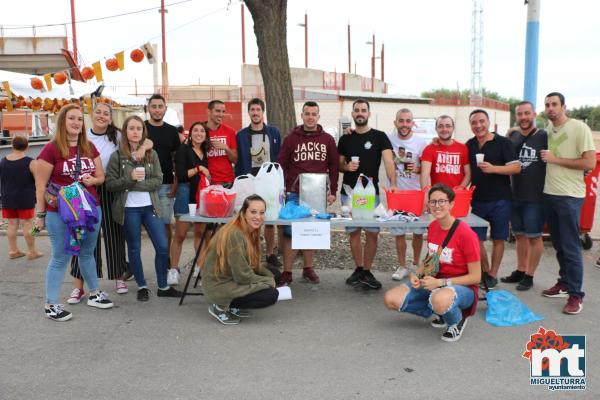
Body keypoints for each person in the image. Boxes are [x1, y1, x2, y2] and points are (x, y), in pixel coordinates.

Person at [66, 103, 153, 303]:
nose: (102, 116)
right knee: (83, 236)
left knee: (114, 232)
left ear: (111, 118)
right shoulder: (82, 135)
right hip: (85, 187)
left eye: (106, 113)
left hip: (111, 186)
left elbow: (147, 141)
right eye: (99, 112)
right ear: (92, 114)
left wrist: (141, 148)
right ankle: (78, 286)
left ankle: (118, 277)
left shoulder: (118, 135)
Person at [34, 104, 114, 321]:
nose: (76, 123)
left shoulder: (88, 147)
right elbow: (40, 186)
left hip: (89, 209)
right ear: (62, 122)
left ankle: (95, 293)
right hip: (60, 212)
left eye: (79, 119)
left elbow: (100, 177)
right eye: (71, 118)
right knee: (60, 256)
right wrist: (40, 216)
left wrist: (93, 180)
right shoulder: (51, 149)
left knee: (87, 252)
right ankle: (51, 304)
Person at [383, 184, 481, 342]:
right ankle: (441, 310)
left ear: (451, 204)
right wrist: (417, 274)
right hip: (435, 282)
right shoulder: (433, 226)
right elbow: (431, 258)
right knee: (391, 299)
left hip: (464, 288)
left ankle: (457, 319)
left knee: (439, 299)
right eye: (433, 202)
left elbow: (476, 277)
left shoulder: (466, 234)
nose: (437, 206)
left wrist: (441, 282)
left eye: (442, 201)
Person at [105, 116, 182, 301]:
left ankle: (163, 286)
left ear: (143, 132)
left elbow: (158, 180)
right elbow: (110, 184)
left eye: (139, 128)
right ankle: (142, 286)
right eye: (131, 128)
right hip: (129, 209)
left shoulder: (151, 154)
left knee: (163, 247)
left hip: (150, 207)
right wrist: (129, 178)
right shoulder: (117, 156)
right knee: (134, 249)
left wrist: (133, 185)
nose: (135, 131)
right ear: (125, 132)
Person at [541, 92, 595, 314]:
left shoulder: (579, 128)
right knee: (560, 245)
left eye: (554, 104)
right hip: (549, 194)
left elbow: (590, 162)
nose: (551, 108)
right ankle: (564, 283)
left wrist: (555, 160)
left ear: (563, 106)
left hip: (570, 196)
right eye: (547, 105)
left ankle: (576, 295)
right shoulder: (547, 131)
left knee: (571, 247)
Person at [277, 101, 339, 285]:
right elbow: (281, 164)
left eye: (314, 114)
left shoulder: (327, 139)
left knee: (312, 231)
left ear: (318, 117)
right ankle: (287, 271)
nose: (310, 117)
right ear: (302, 115)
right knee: (290, 232)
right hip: (295, 193)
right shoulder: (291, 139)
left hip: (317, 194)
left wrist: (332, 190)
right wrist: (282, 190)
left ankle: (308, 268)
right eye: (307, 113)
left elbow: (334, 166)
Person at [337, 99, 397, 290]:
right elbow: (339, 165)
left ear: (369, 114)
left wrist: (393, 183)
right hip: (349, 193)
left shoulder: (380, 136)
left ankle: (367, 271)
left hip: (371, 194)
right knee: (353, 232)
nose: (360, 113)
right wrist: (347, 166)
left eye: (364, 110)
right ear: (353, 114)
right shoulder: (345, 138)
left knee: (372, 233)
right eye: (357, 110)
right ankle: (359, 268)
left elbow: (389, 162)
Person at [202, 195, 279, 325]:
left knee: (275, 275)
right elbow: (242, 276)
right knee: (271, 294)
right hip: (219, 286)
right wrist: (267, 281)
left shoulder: (248, 229)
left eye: (261, 213)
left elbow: (253, 264)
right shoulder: (235, 234)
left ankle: (233, 306)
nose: (258, 217)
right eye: (253, 212)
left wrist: (271, 277)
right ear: (243, 213)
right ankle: (220, 307)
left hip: (231, 278)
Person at [465, 109, 520, 289]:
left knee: (498, 238)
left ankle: (493, 274)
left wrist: (494, 168)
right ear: (470, 125)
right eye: (474, 122)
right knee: (476, 239)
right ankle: (485, 271)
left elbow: (516, 168)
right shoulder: (470, 144)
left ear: (489, 122)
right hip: (478, 199)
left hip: (501, 200)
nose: (478, 125)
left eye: (482, 121)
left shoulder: (503, 142)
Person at [500, 101, 547, 291]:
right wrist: (509, 133)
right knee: (519, 236)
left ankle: (530, 274)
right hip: (515, 194)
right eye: (520, 114)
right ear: (516, 116)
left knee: (534, 237)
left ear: (534, 114)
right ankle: (520, 269)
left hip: (536, 196)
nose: (523, 117)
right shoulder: (513, 136)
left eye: (527, 113)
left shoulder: (544, 136)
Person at [235, 98, 282, 267]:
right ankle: (251, 253)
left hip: (269, 182)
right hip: (250, 181)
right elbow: (238, 158)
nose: (255, 113)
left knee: (268, 219)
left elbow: (278, 156)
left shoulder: (274, 132)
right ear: (248, 112)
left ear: (263, 112)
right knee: (250, 219)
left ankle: (269, 254)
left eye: (258, 109)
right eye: (252, 110)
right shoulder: (241, 135)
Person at [145, 94, 181, 285]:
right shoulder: (141, 129)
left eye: (160, 106)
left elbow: (176, 159)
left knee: (166, 224)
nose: (157, 109)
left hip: (166, 185)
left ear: (165, 109)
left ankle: (166, 260)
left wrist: (175, 183)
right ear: (148, 108)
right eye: (154, 106)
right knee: (150, 225)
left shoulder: (171, 132)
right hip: (144, 187)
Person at [388, 108, 427, 281]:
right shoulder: (388, 139)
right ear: (395, 122)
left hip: (416, 194)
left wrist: (417, 169)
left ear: (413, 123)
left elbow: (426, 168)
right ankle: (402, 265)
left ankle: (417, 264)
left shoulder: (421, 142)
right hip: (397, 194)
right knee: (399, 232)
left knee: (418, 233)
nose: (404, 124)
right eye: (401, 121)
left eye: (408, 121)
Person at [171, 122, 211, 277]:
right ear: (190, 133)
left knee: (200, 233)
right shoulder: (183, 149)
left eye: (202, 131)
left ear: (205, 135)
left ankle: (199, 268)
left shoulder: (204, 152)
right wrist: (199, 168)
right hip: (185, 193)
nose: (199, 133)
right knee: (180, 234)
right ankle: (174, 270)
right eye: (196, 130)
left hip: (201, 195)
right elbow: (180, 175)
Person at [0, 135, 42, 260]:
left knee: (11, 224)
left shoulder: (3, 161)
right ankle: (31, 251)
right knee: (28, 224)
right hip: (25, 198)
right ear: (27, 146)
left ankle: (13, 250)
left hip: (7, 197)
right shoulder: (31, 162)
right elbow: (38, 182)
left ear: (12, 145)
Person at [420, 115, 471, 188]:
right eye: (440, 126)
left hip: (457, 195)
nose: (444, 129)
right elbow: (425, 174)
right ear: (436, 129)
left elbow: (468, 173)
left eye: (448, 126)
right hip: (437, 196)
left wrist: (461, 188)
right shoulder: (429, 149)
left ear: (453, 128)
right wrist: (426, 193)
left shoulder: (463, 148)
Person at [205, 100, 238, 187]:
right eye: (217, 111)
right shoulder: (200, 131)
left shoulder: (230, 131)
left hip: (227, 182)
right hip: (207, 182)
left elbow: (235, 160)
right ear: (209, 111)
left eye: (223, 112)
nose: (221, 114)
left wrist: (226, 148)